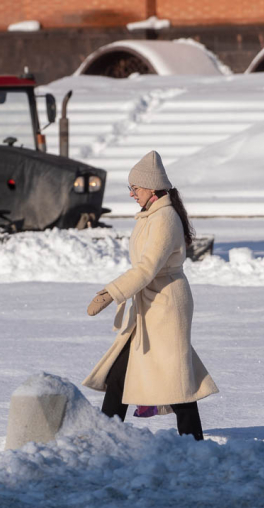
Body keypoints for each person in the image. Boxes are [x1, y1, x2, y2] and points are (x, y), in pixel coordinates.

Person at [82, 150, 218, 439]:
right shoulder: (150, 215)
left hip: (167, 303)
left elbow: (146, 268)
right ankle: (108, 435)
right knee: (122, 372)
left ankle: (192, 442)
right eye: (130, 188)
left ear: (152, 187)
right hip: (150, 302)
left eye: (136, 188)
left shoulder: (165, 218)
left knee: (174, 375)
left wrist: (111, 293)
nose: (132, 194)